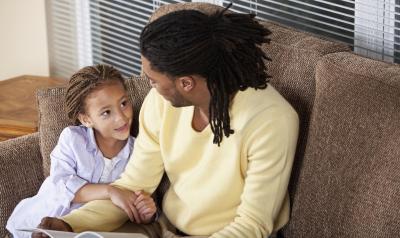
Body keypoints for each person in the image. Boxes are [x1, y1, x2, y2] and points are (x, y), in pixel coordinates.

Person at [34, 5, 299, 238]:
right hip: (163, 229)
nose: (150, 88)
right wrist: (68, 225)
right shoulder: (161, 103)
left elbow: (252, 225)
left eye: (153, 81)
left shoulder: (270, 120)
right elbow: (132, 187)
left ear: (185, 83)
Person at [6, 65, 157, 238]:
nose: (121, 117)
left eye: (123, 103)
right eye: (106, 112)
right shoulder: (73, 139)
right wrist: (111, 191)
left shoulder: (138, 152)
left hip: (91, 232)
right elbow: (61, 183)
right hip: (41, 223)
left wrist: (147, 214)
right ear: (86, 119)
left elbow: (137, 200)